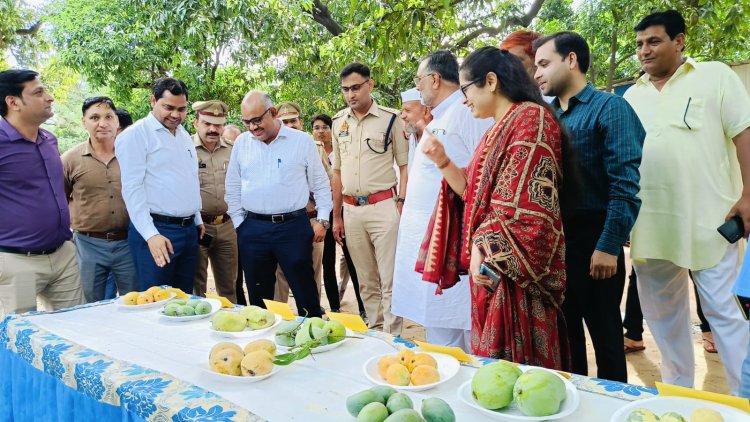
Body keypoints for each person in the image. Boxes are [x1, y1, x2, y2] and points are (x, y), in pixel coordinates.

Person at [623, 10, 750, 395]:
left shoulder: (715, 76)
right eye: (640, 44)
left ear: (679, 41)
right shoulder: (630, 96)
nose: (645, 51)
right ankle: (680, 396)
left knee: (727, 316)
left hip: (711, 223)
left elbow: (743, 133)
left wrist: (749, 195)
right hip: (651, 228)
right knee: (664, 321)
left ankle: (744, 401)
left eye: (654, 41)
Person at [420, 47, 569, 369]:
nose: (463, 99)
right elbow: (472, 194)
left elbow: (526, 210)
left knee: (522, 375)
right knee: (495, 370)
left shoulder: (531, 118)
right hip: (493, 267)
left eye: (465, 89)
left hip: (516, 271)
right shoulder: (495, 130)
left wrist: (480, 247)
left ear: (490, 81)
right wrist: (442, 160)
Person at [534, 31, 645, 382]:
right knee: (567, 343)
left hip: (596, 241)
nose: (537, 74)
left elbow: (624, 186)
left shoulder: (610, 108)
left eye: (544, 63)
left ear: (571, 60)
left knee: (607, 340)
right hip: (557, 245)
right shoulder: (546, 116)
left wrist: (608, 246)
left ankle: (615, 408)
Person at [392, 50, 492, 351]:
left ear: (435, 79)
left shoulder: (466, 112)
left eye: (419, 80)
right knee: (442, 336)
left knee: (463, 336)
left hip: (455, 244)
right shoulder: (441, 117)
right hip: (435, 246)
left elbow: (484, 175)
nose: (418, 86)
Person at [226, 91, 331, 318]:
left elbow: (321, 185)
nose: (252, 128)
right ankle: (263, 344)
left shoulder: (301, 141)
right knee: (258, 299)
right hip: (253, 229)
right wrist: (239, 224)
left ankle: (313, 341)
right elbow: (232, 186)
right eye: (246, 123)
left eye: (256, 121)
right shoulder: (242, 144)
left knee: (305, 294)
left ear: (272, 113)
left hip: (293, 228)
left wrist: (323, 219)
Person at [331, 63, 409, 334]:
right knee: (365, 281)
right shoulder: (337, 122)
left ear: (370, 85)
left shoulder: (391, 118)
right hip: (351, 211)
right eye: (345, 90)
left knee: (389, 279)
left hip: (384, 207)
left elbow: (404, 166)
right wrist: (337, 216)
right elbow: (337, 172)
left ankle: (393, 337)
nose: (351, 94)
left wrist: (401, 203)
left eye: (356, 87)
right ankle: (375, 333)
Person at [0, 69, 85, 314]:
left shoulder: (49, 139)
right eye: (39, 92)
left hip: (63, 256)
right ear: (13, 101)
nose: (49, 97)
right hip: (16, 261)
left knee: (75, 332)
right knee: (20, 340)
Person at [116, 78, 204, 292]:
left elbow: (189, 178)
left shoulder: (183, 135)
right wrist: (150, 234)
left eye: (181, 109)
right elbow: (132, 188)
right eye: (169, 107)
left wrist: (197, 218)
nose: (175, 115)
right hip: (158, 231)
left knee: (182, 302)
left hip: (189, 231)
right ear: (153, 101)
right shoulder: (135, 135)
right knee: (155, 302)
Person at [62, 96, 137, 302]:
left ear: (116, 122)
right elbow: (59, 198)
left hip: (128, 242)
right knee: (89, 304)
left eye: (108, 117)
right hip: (88, 244)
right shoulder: (70, 159)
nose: (102, 123)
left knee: (137, 302)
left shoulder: (133, 155)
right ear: (83, 121)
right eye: (94, 117)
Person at [272, 101, 330, 307]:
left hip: (310, 219)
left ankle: (313, 311)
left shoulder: (314, 148)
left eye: (293, 120)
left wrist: (322, 219)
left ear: (301, 122)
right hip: (282, 222)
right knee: (280, 272)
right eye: (284, 121)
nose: (290, 125)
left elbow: (326, 183)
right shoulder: (270, 148)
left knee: (312, 269)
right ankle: (278, 314)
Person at [314, 113, 366, 314]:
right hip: (323, 213)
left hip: (344, 210)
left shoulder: (343, 150)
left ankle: (363, 308)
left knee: (352, 259)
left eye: (325, 127)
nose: (321, 131)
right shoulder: (311, 151)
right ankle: (335, 308)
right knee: (327, 262)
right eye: (317, 127)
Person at [191, 100, 238, 302]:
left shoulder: (232, 150)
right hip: (198, 227)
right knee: (196, 286)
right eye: (207, 123)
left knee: (229, 287)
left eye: (217, 125)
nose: (213, 129)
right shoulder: (185, 150)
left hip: (228, 226)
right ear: (195, 124)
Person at [399, 88, 431, 168]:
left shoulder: (438, 137)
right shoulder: (413, 136)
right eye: (402, 111)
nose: (402, 116)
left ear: (426, 111)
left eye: (408, 110)